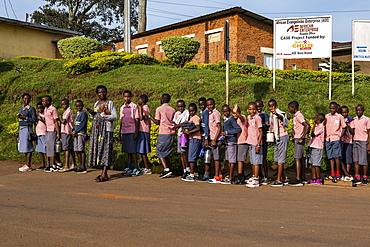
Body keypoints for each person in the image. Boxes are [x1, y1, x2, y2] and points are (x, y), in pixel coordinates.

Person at [87, 85, 117, 182]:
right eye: (99, 92)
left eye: (103, 92)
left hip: (106, 130)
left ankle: (105, 173)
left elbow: (114, 117)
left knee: (106, 149)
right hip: (97, 130)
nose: (102, 94)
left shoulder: (110, 103)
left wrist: (104, 115)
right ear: (97, 94)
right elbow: (96, 116)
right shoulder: (96, 103)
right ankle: (102, 172)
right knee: (99, 150)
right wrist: (93, 113)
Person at [146, 94, 175, 178]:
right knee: (167, 152)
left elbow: (157, 122)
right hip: (171, 132)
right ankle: (168, 168)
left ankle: (166, 169)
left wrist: (149, 116)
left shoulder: (159, 109)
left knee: (159, 151)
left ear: (162, 99)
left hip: (163, 132)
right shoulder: (172, 109)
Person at [287, 101, 310, 186]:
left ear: (293, 108)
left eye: (289, 108)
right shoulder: (296, 116)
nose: (289, 110)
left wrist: (302, 137)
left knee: (297, 158)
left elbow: (307, 126)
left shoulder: (299, 116)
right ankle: (302, 177)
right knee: (299, 158)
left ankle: (298, 179)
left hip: (299, 138)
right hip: (297, 137)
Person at [268, 99, 289, 187]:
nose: (271, 108)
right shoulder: (271, 115)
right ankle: (283, 177)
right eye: (269, 106)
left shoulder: (279, 113)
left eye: (272, 106)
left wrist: (276, 113)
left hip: (282, 136)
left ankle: (279, 180)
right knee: (276, 158)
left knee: (281, 159)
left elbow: (283, 119)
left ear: (276, 106)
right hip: (276, 137)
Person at [347, 104, 370, 185]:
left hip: (363, 141)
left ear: (363, 111)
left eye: (360, 110)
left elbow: (369, 132)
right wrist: (348, 125)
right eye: (357, 110)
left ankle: (365, 177)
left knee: (363, 160)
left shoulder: (366, 119)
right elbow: (352, 132)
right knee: (356, 160)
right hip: (355, 140)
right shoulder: (354, 120)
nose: (358, 112)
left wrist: (369, 143)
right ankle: (357, 177)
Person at [119, 90, 140, 176]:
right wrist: (119, 133)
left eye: (128, 96)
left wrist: (136, 132)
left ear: (130, 97)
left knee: (133, 150)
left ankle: (136, 167)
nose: (126, 98)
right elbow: (121, 120)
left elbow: (137, 119)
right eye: (125, 96)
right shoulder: (122, 108)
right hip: (124, 131)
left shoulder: (134, 106)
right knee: (128, 150)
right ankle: (129, 167)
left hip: (132, 130)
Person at [324, 102, 346, 182]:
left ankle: (338, 174)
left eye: (333, 108)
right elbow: (324, 127)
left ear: (336, 109)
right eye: (330, 108)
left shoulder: (340, 117)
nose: (331, 110)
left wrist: (340, 136)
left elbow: (344, 127)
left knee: (337, 156)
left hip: (336, 138)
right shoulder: (326, 116)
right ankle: (332, 173)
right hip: (328, 139)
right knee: (330, 157)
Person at [221, 104, 242, 184]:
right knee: (228, 160)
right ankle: (230, 176)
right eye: (224, 111)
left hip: (232, 142)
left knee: (232, 160)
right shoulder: (225, 119)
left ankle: (230, 177)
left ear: (229, 111)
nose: (225, 112)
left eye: (227, 111)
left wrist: (227, 133)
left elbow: (238, 129)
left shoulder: (231, 119)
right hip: (227, 141)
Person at [182, 103, 202, 182]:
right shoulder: (191, 118)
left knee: (191, 157)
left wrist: (188, 132)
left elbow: (197, 127)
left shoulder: (196, 118)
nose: (191, 112)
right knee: (193, 156)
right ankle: (195, 173)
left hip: (195, 138)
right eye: (190, 111)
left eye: (193, 111)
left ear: (196, 110)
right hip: (192, 138)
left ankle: (191, 174)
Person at [205, 98, 223, 183]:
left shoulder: (216, 113)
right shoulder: (209, 113)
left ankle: (216, 176)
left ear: (214, 104)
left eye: (211, 104)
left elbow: (219, 127)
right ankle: (219, 175)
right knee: (214, 158)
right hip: (212, 138)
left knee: (216, 158)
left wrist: (215, 140)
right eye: (208, 105)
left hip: (217, 139)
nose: (209, 106)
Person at [246, 102, 263, 188]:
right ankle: (254, 176)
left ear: (256, 109)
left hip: (256, 143)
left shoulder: (258, 118)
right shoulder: (249, 117)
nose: (252, 111)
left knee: (256, 162)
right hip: (250, 142)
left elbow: (260, 131)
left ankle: (256, 179)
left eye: (253, 109)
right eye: (250, 109)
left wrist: (258, 144)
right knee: (252, 161)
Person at [18, 93, 36, 172]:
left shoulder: (31, 109)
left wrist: (25, 117)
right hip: (22, 128)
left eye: (28, 99)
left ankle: (28, 165)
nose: (26, 100)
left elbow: (34, 119)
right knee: (24, 147)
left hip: (27, 128)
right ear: (22, 99)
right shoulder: (22, 108)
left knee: (28, 147)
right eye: (25, 98)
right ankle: (27, 164)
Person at [42, 95, 61, 172]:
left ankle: (53, 165)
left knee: (52, 147)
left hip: (52, 129)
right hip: (47, 129)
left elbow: (56, 121)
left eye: (44, 101)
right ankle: (50, 164)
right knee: (48, 147)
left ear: (48, 101)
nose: (43, 102)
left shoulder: (53, 109)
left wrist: (58, 132)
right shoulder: (45, 109)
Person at [173, 100, 190, 178]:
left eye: (182, 106)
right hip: (179, 134)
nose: (181, 108)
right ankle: (184, 169)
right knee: (181, 153)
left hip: (184, 135)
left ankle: (188, 169)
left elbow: (188, 122)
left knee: (184, 152)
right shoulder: (176, 114)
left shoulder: (187, 112)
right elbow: (175, 125)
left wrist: (182, 124)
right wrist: (182, 123)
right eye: (179, 107)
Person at [59, 99, 77, 172]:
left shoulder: (68, 111)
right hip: (66, 131)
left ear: (68, 104)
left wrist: (60, 117)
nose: (63, 106)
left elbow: (63, 121)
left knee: (66, 148)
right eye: (62, 104)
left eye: (64, 104)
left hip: (66, 131)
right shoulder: (66, 111)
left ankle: (66, 165)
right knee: (70, 148)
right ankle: (74, 163)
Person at [231, 105, 247, 185]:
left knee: (240, 160)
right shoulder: (234, 120)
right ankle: (241, 175)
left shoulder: (242, 117)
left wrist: (237, 113)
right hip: (237, 141)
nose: (235, 115)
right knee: (238, 159)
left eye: (236, 113)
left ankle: (240, 177)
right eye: (233, 113)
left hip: (242, 141)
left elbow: (242, 119)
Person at [307, 113, 325, 185]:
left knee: (316, 164)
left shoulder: (321, 127)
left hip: (318, 147)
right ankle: (313, 178)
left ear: (318, 119)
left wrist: (314, 125)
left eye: (316, 117)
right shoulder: (317, 126)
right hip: (313, 146)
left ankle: (318, 178)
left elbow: (313, 134)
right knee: (312, 163)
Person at [71, 100, 88, 174]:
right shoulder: (78, 114)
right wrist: (73, 130)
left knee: (81, 150)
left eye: (80, 106)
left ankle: (83, 166)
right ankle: (80, 165)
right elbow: (76, 124)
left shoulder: (84, 113)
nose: (79, 107)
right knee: (77, 150)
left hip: (81, 133)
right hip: (76, 133)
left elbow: (82, 125)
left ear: (82, 105)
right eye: (77, 106)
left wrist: (75, 131)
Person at [136, 94, 152, 175]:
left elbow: (142, 118)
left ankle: (147, 168)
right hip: (141, 130)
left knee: (143, 151)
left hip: (144, 130)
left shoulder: (145, 108)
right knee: (141, 150)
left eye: (139, 100)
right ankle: (144, 167)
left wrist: (139, 109)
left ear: (142, 101)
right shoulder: (143, 107)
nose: (138, 101)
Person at [255, 100, 270, 184]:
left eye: (260, 106)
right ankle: (259, 175)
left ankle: (266, 175)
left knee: (263, 157)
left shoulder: (264, 115)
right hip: (255, 138)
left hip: (263, 138)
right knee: (257, 158)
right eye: (257, 107)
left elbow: (267, 125)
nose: (258, 108)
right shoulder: (253, 116)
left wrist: (263, 125)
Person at [198, 97, 211, 181]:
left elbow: (206, 125)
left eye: (203, 104)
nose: (202, 106)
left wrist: (206, 137)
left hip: (206, 135)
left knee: (207, 154)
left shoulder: (206, 112)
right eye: (200, 105)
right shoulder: (202, 112)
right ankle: (204, 173)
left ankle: (207, 174)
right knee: (203, 154)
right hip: (202, 135)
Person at [340, 105, 354, 181]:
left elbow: (352, 132)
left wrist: (347, 125)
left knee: (348, 158)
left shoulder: (351, 120)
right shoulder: (340, 119)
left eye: (345, 112)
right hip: (342, 141)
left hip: (349, 141)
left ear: (348, 112)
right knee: (342, 158)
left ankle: (347, 174)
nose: (344, 114)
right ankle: (344, 173)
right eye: (342, 112)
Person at [35, 102, 47, 170]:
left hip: (44, 133)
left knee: (45, 148)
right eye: (38, 108)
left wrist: (41, 119)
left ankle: (48, 164)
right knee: (40, 149)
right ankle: (43, 164)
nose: (40, 109)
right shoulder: (37, 114)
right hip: (38, 133)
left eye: (41, 108)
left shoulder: (46, 114)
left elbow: (48, 122)